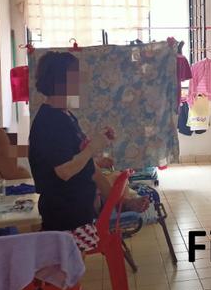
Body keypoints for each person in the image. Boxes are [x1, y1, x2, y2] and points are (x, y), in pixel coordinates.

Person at [28, 51, 146, 250]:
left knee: (75, 269)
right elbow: (64, 171)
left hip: (78, 212)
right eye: (76, 76)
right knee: (70, 269)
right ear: (61, 81)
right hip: (65, 216)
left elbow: (79, 158)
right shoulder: (50, 121)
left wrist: (97, 143)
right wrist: (93, 147)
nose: (81, 82)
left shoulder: (65, 115)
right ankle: (121, 203)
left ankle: (121, 202)